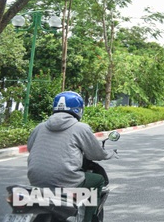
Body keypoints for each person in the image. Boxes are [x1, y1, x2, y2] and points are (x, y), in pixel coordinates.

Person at [27, 91, 117, 222]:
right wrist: (110, 153)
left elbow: (31, 148)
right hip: (67, 180)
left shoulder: (40, 127)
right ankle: (88, 218)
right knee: (97, 180)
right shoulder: (80, 128)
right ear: (78, 109)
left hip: (36, 180)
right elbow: (95, 154)